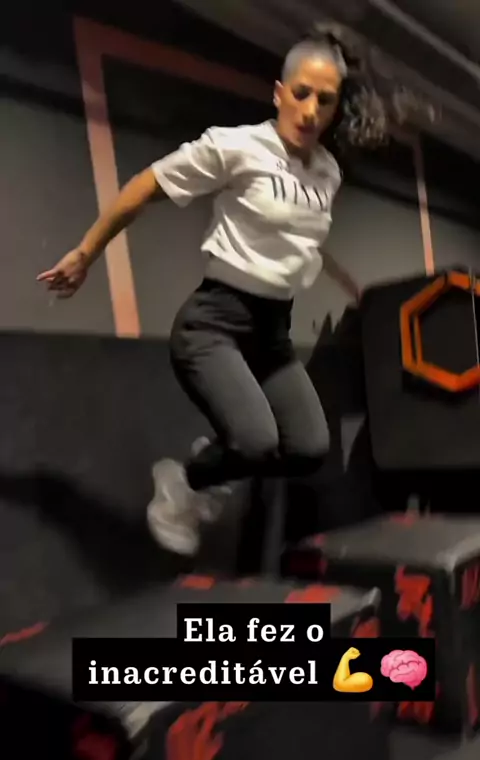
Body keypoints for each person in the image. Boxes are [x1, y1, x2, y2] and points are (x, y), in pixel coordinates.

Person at [38, 25, 390, 557]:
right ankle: (182, 483)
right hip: (214, 324)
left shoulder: (327, 173)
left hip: (271, 337)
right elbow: (144, 187)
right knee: (256, 441)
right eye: (301, 94)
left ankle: (218, 458)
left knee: (309, 447)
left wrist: (345, 282)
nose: (310, 110)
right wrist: (86, 252)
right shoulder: (236, 146)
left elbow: (297, 238)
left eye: (325, 100)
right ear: (279, 93)